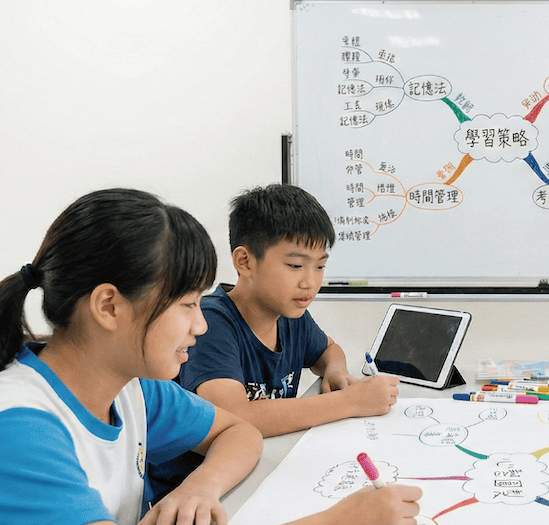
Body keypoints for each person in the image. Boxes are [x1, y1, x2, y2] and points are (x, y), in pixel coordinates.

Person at [0, 188, 422, 525]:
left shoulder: (132, 389)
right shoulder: (13, 427)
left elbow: (238, 430)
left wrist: (202, 485)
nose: (201, 324)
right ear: (109, 306)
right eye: (187, 304)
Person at [148, 183, 399, 500]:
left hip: (259, 472)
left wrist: (335, 369)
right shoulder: (213, 322)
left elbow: (328, 350)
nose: (310, 281)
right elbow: (235, 416)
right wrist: (350, 402)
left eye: (320, 265)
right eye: (295, 265)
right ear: (245, 261)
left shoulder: (290, 315)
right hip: (196, 492)